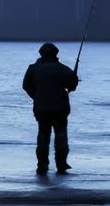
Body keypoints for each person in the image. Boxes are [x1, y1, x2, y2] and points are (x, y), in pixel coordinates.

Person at [22, 42, 79, 174]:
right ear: (55, 54)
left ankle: (42, 165)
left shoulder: (33, 68)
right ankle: (61, 164)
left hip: (41, 109)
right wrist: (74, 79)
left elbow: (26, 85)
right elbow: (72, 86)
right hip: (60, 109)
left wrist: (36, 96)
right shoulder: (62, 69)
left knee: (43, 137)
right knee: (61, 136)